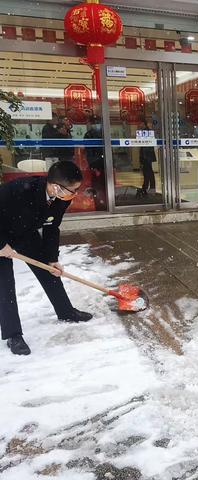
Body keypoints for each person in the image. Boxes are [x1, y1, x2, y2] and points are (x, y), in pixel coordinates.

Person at [0, 161, 93, 356]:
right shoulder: (17, 190)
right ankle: (13, 335)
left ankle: (66, 312)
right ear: (55, 186)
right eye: (73, 190)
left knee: (48, 271)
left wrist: (52, 258)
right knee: (4, 284)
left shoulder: (62, 197)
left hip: (25, 233)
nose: (74, 195)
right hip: (2, 234)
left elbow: (52, 226)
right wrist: (1, 245)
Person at [84, 116, 106, 210]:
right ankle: (103, 203)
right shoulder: (102, 133)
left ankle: (100, 204)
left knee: (98, 185)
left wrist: (93, 166)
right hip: (102, 163)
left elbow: (89, 152)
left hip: (97, 163)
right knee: (102, 184)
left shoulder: (90, 134)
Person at [138, 121, 156, 197]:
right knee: (148, 172)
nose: (139, 125)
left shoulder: (146, 132)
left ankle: (148, 187)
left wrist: (143, 157)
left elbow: (146, 145)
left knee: (148, 172)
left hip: (147, 155)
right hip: (147, 155)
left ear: (144, 124)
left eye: (141, 123)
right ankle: (148, 187)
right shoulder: (145, 131)